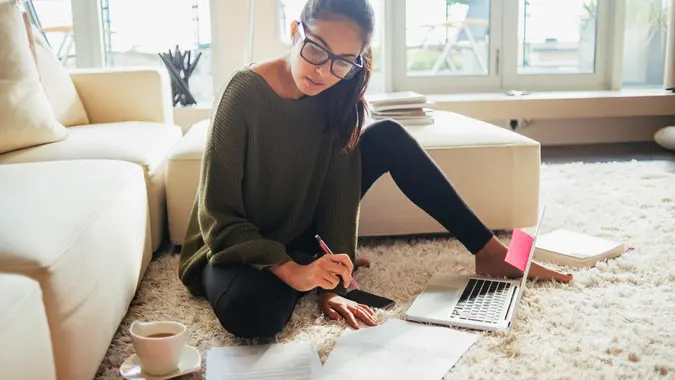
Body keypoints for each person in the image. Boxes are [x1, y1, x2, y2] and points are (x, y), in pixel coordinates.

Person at [178, 0, 573, 339]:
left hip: (302, 225)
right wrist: (292, 271)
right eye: (316, 49)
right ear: (296, 29)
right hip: (233, 243)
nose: (323, 71)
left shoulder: (338, 92)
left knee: (386, 136)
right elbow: (219, 218)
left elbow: (338, 191)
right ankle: (301, 264)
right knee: (255, 316)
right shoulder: (242, 93)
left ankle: (490, 251)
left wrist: (335, 284)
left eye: (343, 62)